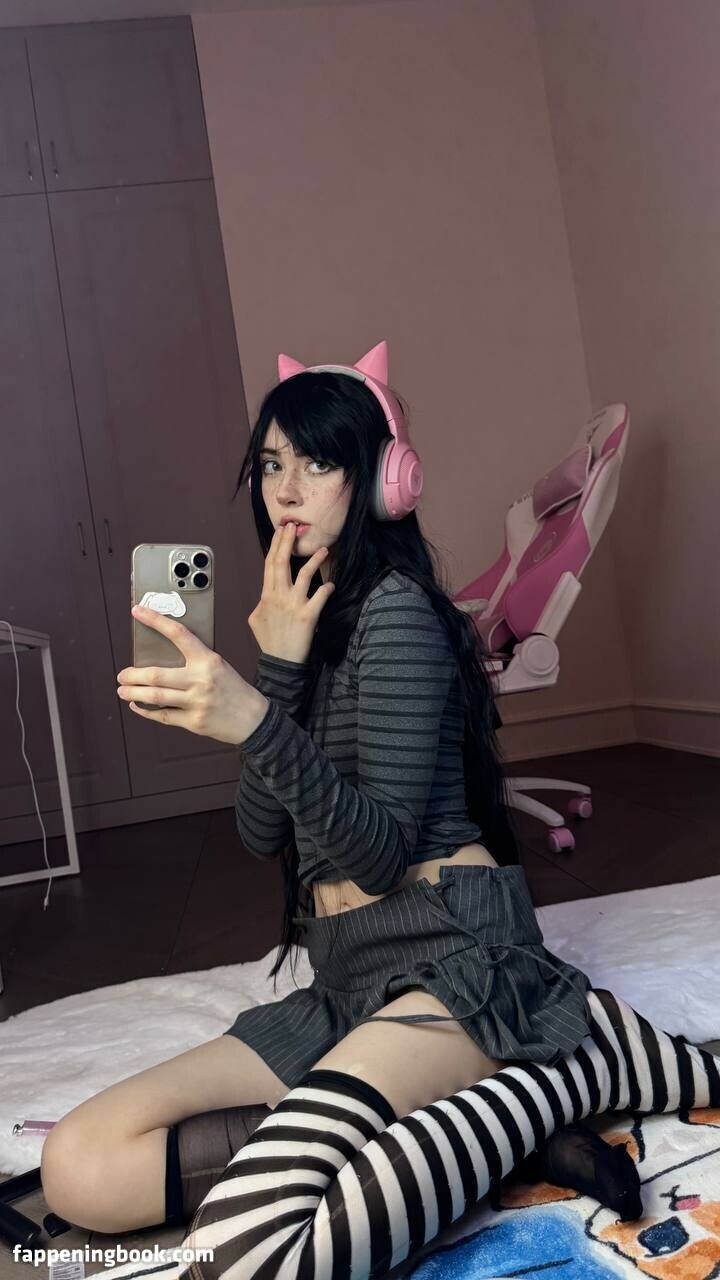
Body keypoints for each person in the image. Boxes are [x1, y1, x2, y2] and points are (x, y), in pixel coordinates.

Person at [40, 343, 719, 1280]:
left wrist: (250, 716)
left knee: (248, 1248)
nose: (287, 490)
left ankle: (572, 1063)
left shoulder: (398, 612)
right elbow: (262, 833)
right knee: (80, 1167)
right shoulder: (303, 626)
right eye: (271, 464)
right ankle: (503, 1120)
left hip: (454, 959)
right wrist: (276, 672)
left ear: (383, 480)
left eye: (318, 462)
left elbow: (380, 853)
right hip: (348, 980)